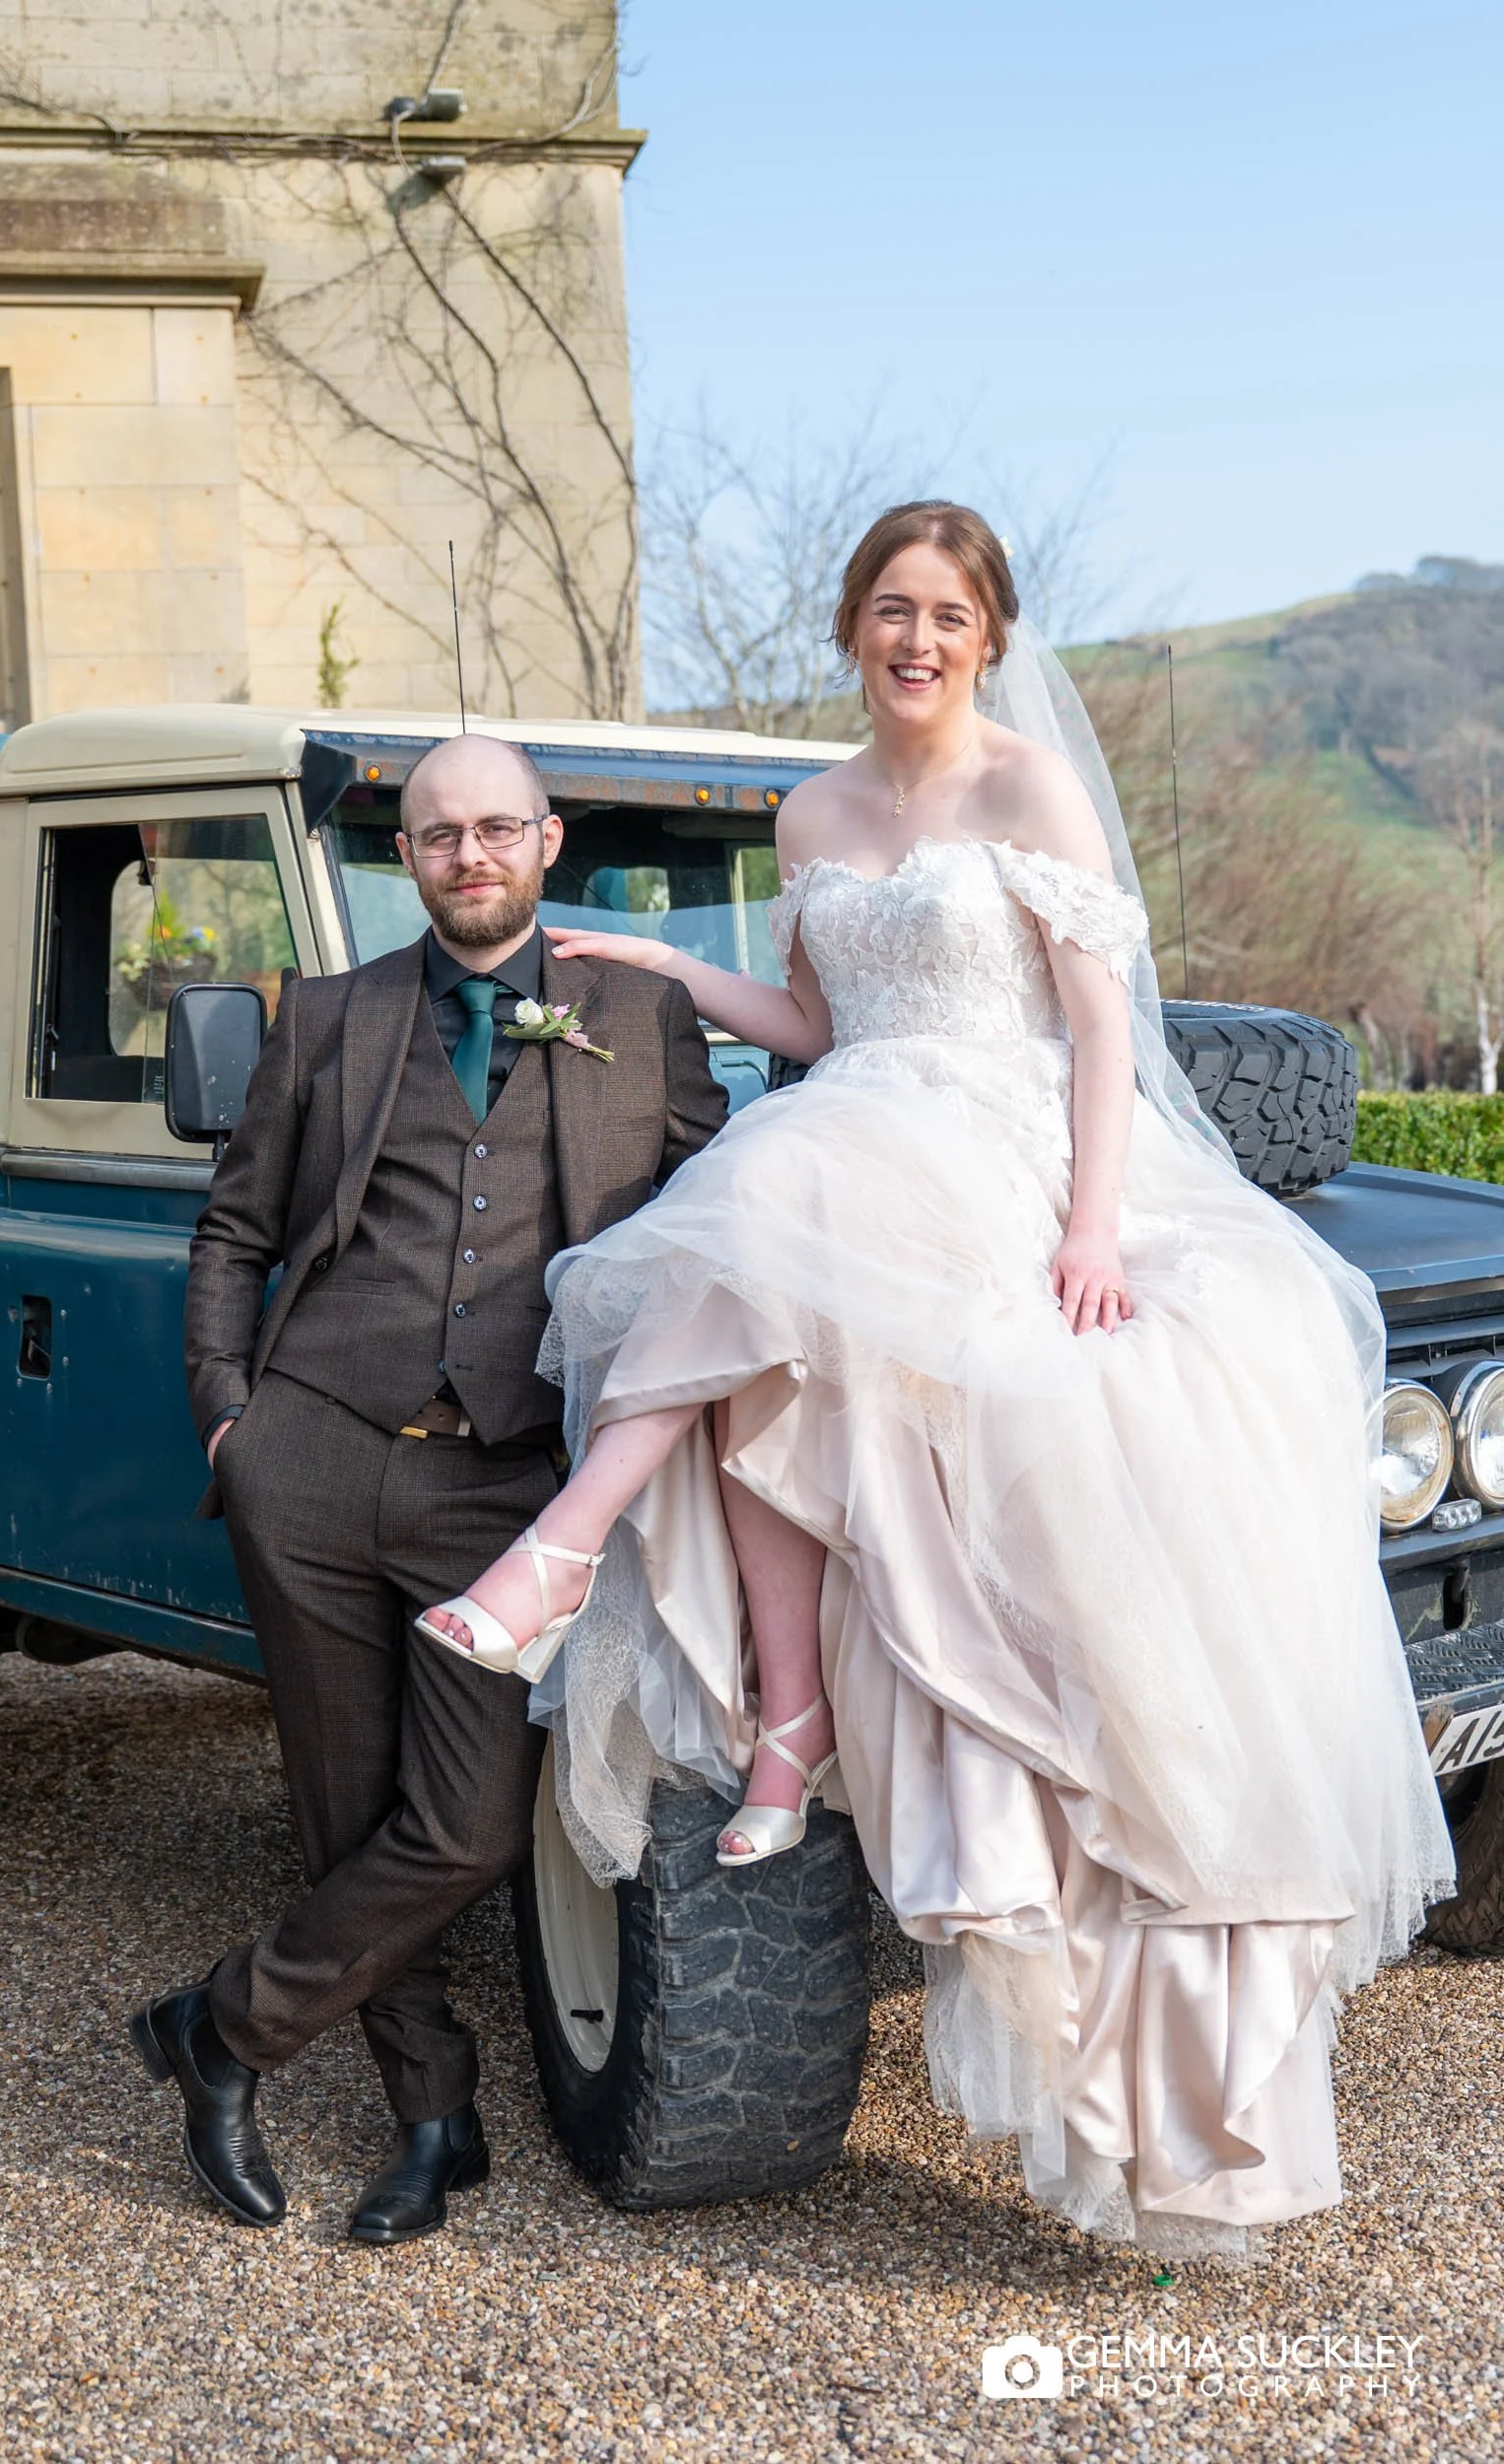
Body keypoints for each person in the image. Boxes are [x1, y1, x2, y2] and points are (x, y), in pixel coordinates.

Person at [418, 503, 1458, 2259]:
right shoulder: (810, 813)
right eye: (890, 610)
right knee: (764, 1247)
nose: (916, 639)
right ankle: (770, 1707)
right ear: (852, 627)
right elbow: (823, 1036)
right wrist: (674, 968)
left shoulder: (1029, 787)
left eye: (948, 615)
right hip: (860, 1130)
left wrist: (1096, 1228)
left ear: (988, 638)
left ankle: (569, 1550)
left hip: (1008, 1158)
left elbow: (1102, 1027)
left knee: (761, 1215)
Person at [128, 732, 726, 2243]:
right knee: (346, 1815)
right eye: (440, 834)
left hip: (511, 1487)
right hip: (313, 1460)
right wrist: (229, 1421)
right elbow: (234, 1232)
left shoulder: (639, 1017)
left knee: (464, 1826)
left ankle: (220, 2029)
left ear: (546, 840)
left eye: (496, 829)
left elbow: (718, 1225)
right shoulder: (329, 1016)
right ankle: (432, 2117)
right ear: (407, 856)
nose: (470, 855)